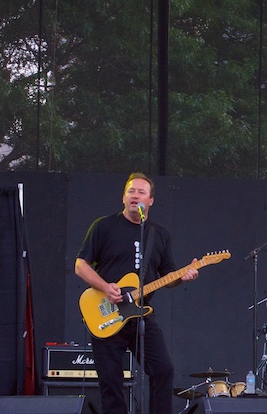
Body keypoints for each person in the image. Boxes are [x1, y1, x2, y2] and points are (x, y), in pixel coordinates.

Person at [75, 173, 199, 414]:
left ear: (150, 200)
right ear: (123, 197)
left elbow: (167, 275)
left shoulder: (160, 235)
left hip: (140, 315)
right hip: (107, 313)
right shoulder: (104, 226)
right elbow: (80, 265)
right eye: (131, 191)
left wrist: (183, 276)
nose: (135, 196)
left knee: (163, 369)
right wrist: (104, 287)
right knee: (111, 380)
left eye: (141, 192)